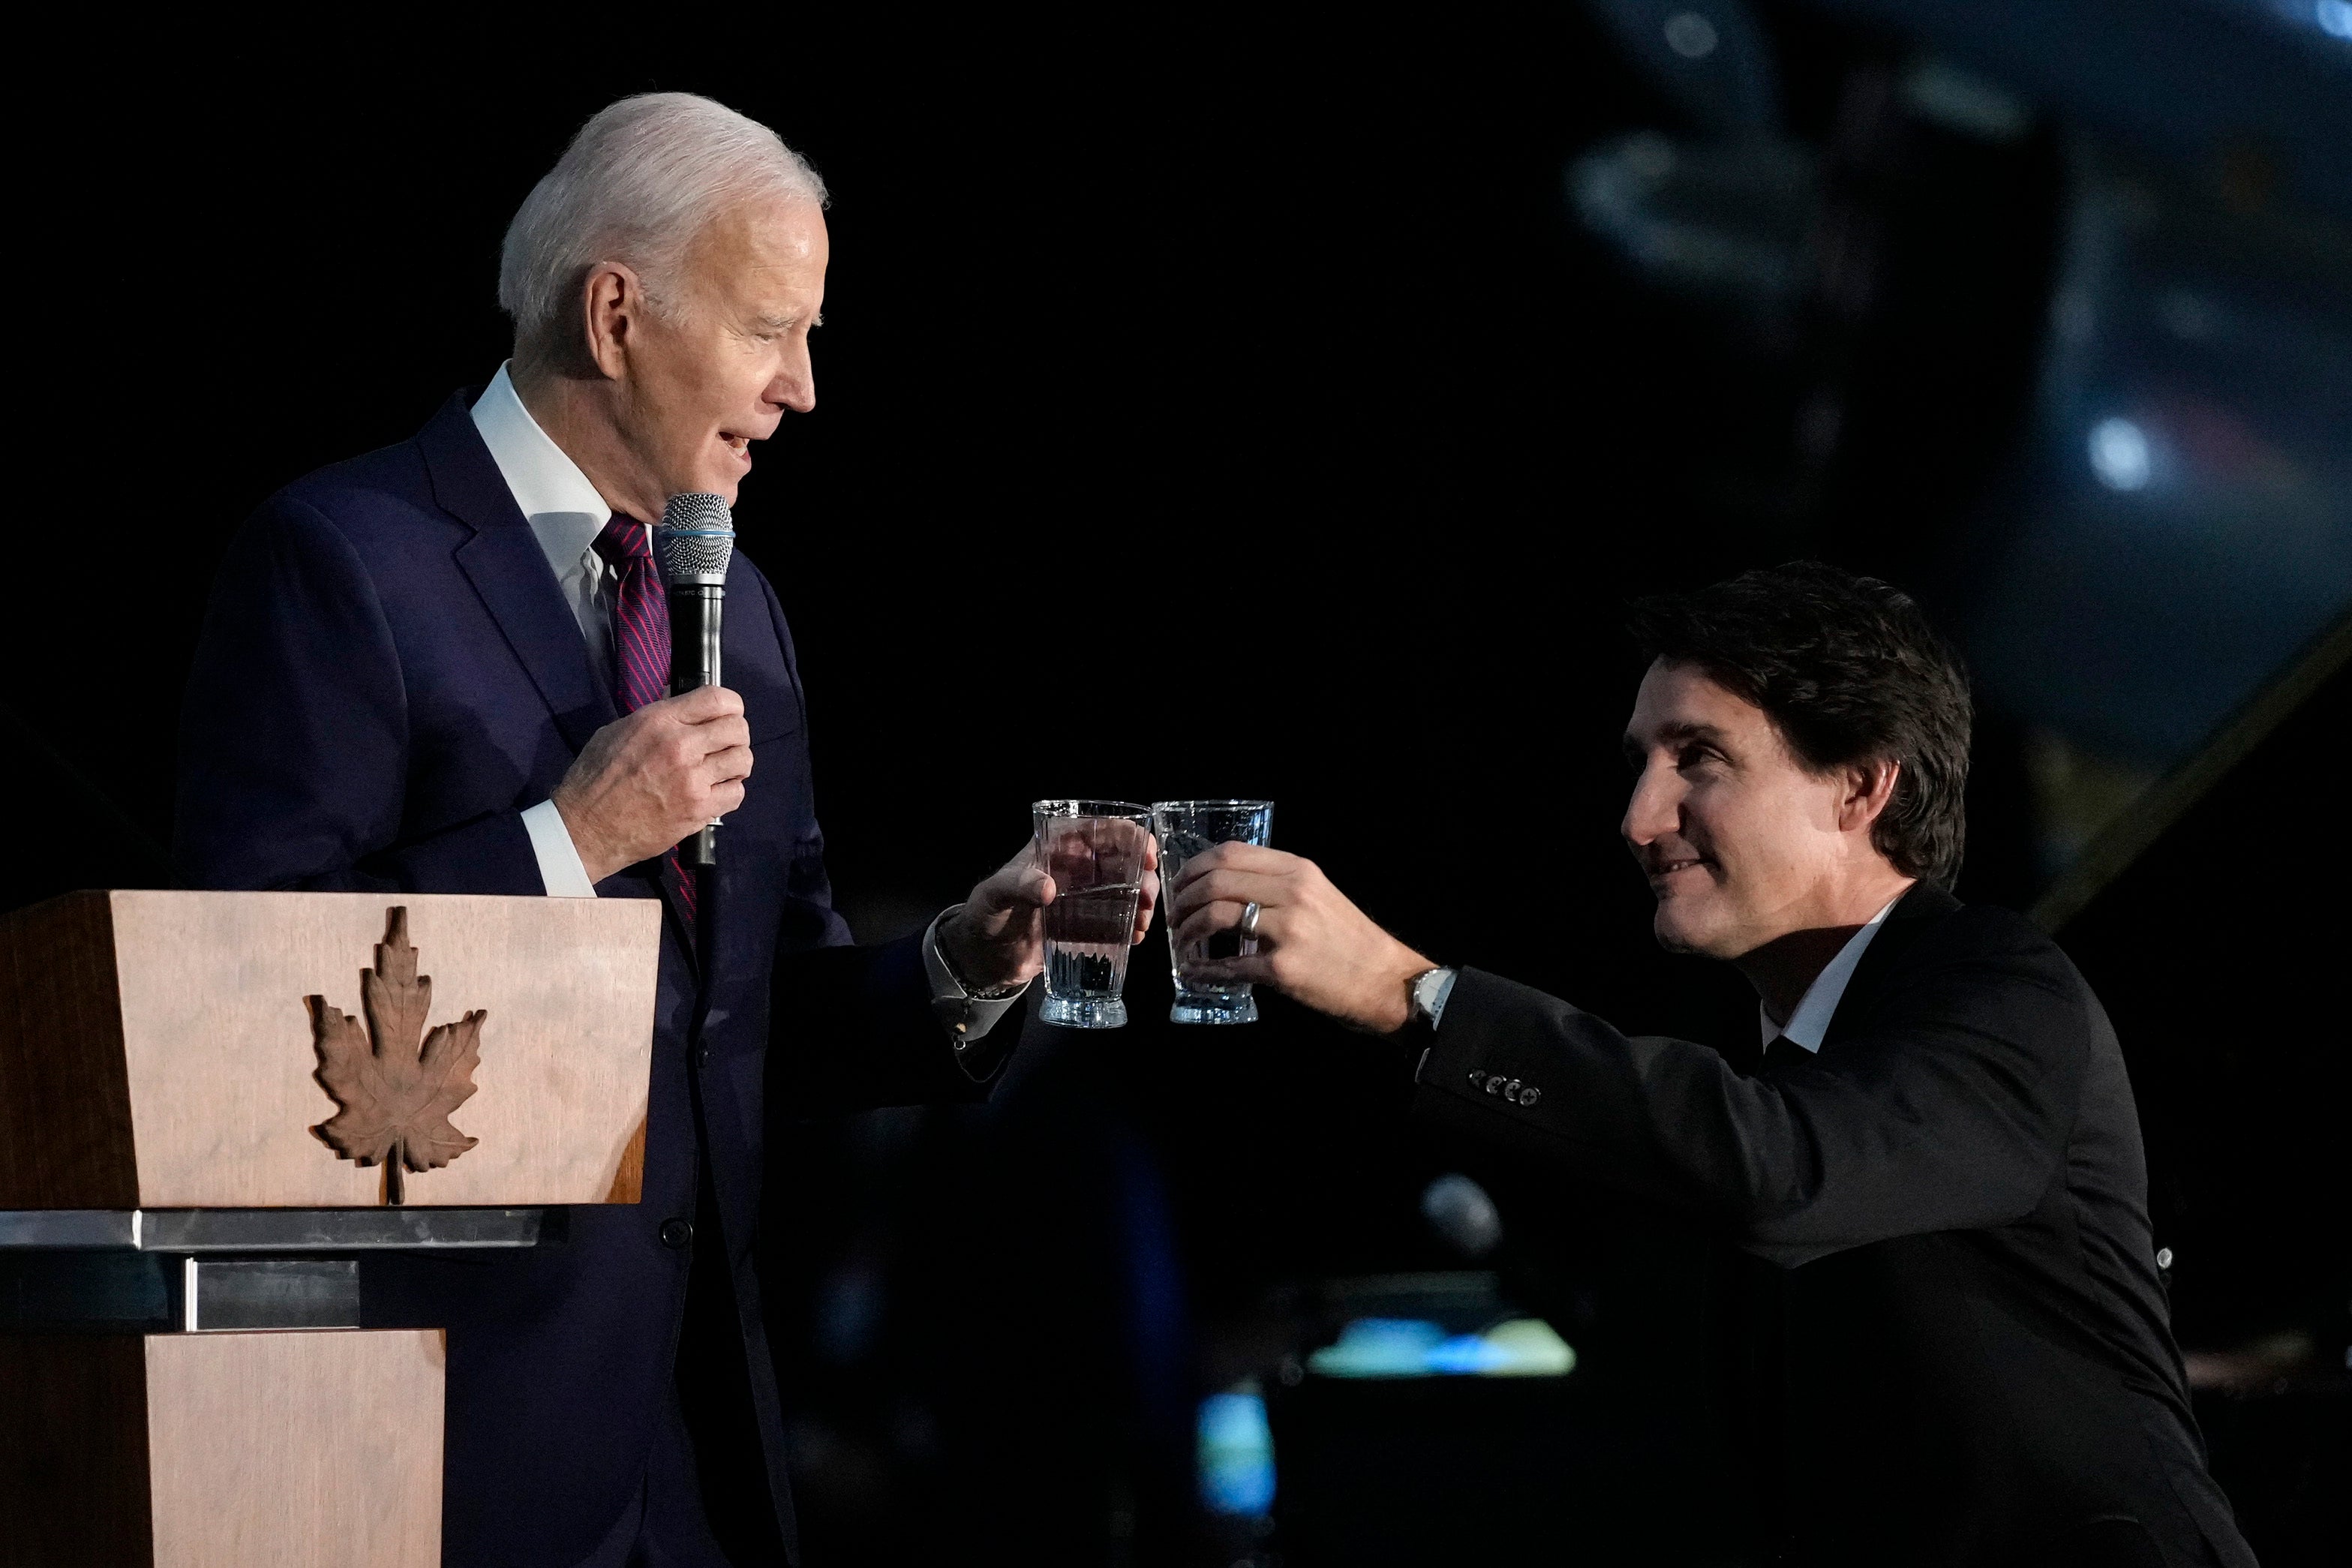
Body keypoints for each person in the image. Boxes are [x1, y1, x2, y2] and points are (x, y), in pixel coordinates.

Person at [175, 93, 1152, 1568]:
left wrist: (972, 947)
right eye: (771, 329)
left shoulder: (737, 607)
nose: (803, 389)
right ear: (617, 313)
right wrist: (565, 842)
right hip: (436, 1454)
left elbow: (768, 1021)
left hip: (691, 1458)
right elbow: (235, 1009)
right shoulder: (342, 560)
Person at [1167, 563, 2252, 1566]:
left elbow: (1783, 1170)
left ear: (1863, 785)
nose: (1641, 817)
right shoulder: (1779, 1070)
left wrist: (1414, 994)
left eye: (1700, 759)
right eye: (1642, 763)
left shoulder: (2007, 991)